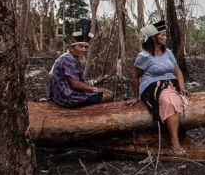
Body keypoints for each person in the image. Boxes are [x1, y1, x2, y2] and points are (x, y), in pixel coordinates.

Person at [128, 20, 189, 155]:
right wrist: (135, 96)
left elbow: (178, 72)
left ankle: (174, 134)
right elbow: (135, 76)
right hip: (151, 85)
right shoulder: (144, 56)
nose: (166, 38)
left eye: (165, 35)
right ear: (154, 37)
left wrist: (182, 88)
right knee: (170, 101)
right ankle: (175, 141)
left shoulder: (167, 52)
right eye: (163, 35)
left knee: (175, 97)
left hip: (170, 83)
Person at [48, 24, 113, 107]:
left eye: (86, 47)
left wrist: (96, 81)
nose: (84, 50)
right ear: (71, 48)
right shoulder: (68, 59)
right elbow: (75, 84)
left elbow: (80, 82)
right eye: (80, 46)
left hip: (65, 95)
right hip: (68, 98)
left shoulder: (72, 58)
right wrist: (96, 89)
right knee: (109, 96)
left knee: (104, 94)